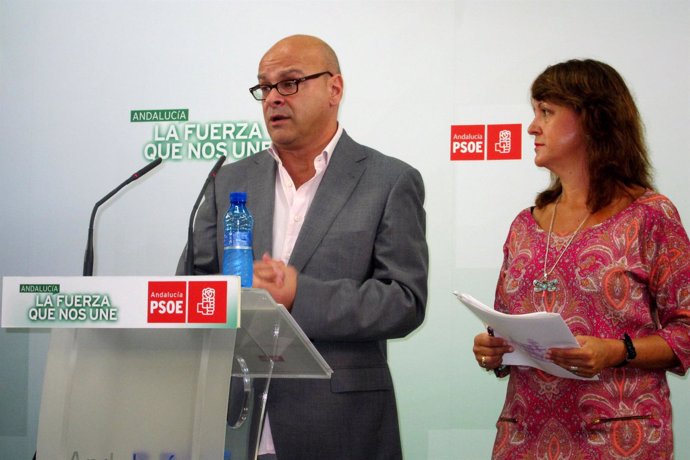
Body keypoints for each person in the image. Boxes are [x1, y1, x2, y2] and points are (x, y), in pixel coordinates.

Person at [178, 35, 428, 460]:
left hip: (339, 426)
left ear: (335, 89)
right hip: (232, 424)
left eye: (289, 83)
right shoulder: (229, 181)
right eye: (265, 87)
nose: (273, 98)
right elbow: (192, 286)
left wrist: (299, 294)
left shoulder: (388, 181)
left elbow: (404, 301)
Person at [472, 59, 690, 458]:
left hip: (617, 440)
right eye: (534, 112)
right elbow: (506, 325)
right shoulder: (524, 225)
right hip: (524, 438)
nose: (532, 127)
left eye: (546, 112)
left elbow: (686, 329)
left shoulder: (650, 215)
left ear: (592, 120)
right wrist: (493, 348)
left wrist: (615, 351)